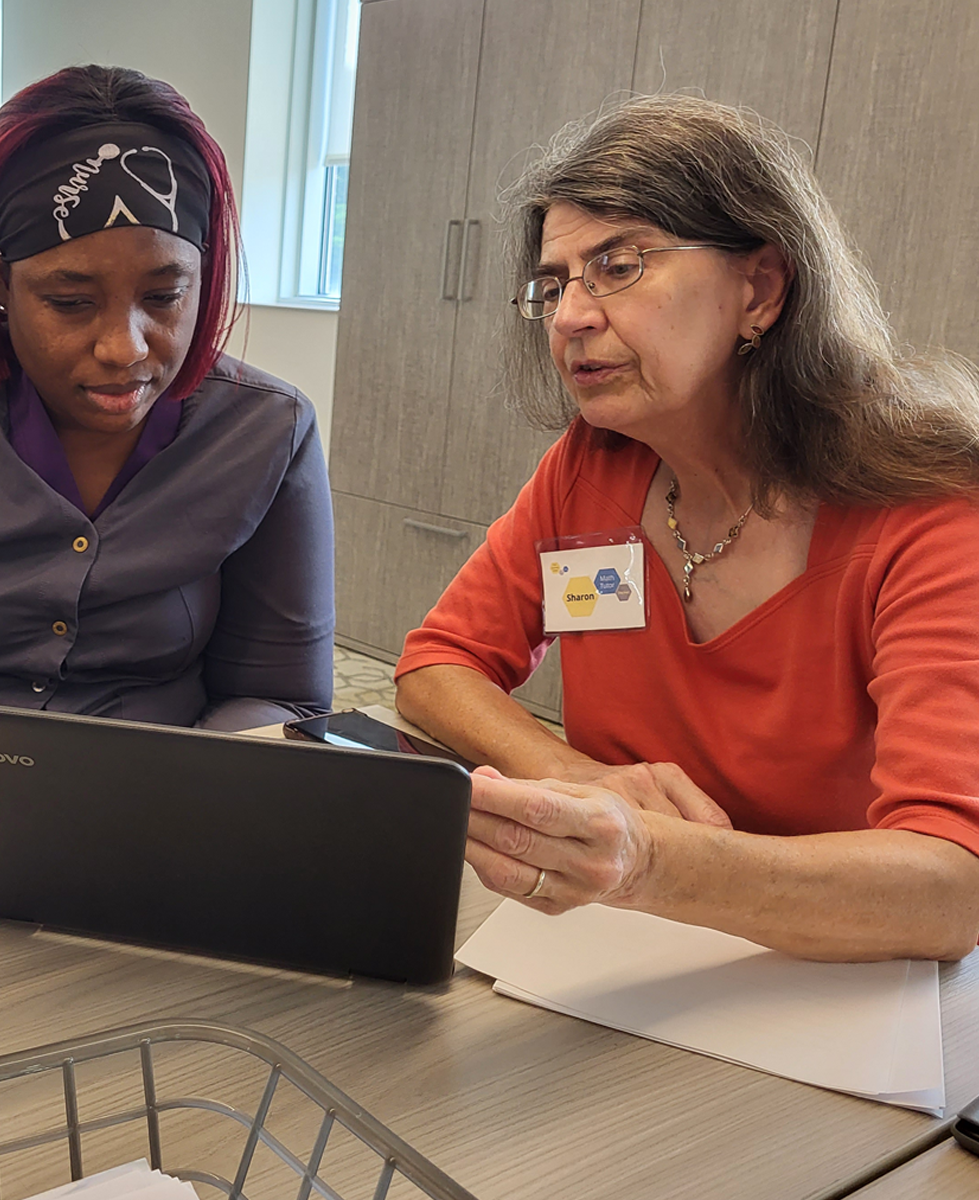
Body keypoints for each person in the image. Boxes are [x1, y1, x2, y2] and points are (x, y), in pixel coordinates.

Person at [393, 95, 979, 963]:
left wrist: (645, 862)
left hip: (832, 977)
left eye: (619, 266)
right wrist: (579, 780)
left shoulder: (930, 512)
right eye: (554, 285)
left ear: (761, 289)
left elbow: (951, 892)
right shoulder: (591, 468)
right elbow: (434, 668)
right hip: (623, 951)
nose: (570, 317)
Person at [0, 65, 334, 797]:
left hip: (160, 816)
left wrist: (187, 802)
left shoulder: (267, 432)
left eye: (165, 297)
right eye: (72, 302)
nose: (126, 348)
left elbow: (283, 698)